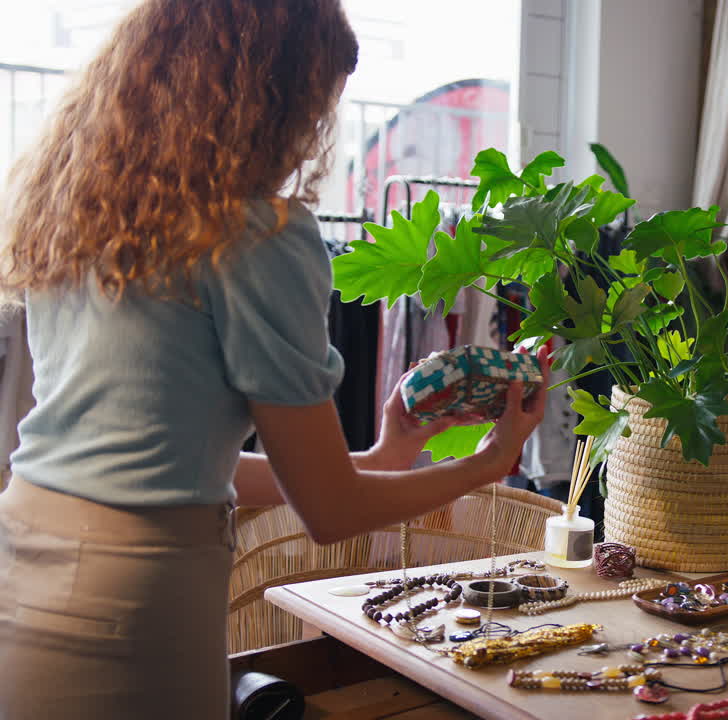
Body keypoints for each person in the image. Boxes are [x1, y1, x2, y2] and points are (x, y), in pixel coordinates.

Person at [0, 2, 548, 718]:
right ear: (263, 101)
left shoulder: (83, 213)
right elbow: (331, 512)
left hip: (23, 557)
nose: (308, 140)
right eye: (312, 108)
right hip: (130, 595)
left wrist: (383, 458)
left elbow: (171, 457)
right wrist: (487, 461)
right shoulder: (256, 237)